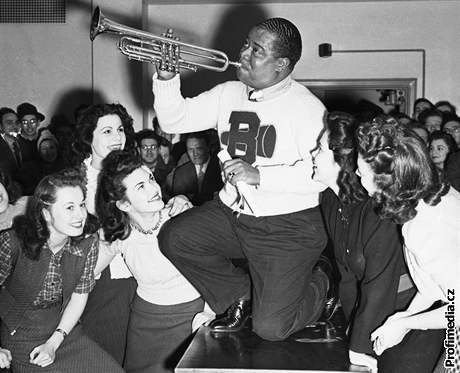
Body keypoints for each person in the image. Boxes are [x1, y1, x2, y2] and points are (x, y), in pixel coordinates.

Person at [152, 17, 333, 341]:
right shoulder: (229, 93)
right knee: (176, 238)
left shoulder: (308, 108)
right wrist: (167, 78)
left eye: (257, 50)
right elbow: (173, 119)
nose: (244, 53)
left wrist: (261, 175)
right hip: (234, 214)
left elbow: (321, 176)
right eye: (247, 44)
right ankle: (239, 298)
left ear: (281, 65)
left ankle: (323, 280)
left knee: (271, 329)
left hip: (288, 227)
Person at [312, 112, 415, 372]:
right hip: (373, 308)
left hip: (411, 309)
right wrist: (352, 327)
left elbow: (380, 283)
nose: (312, 155)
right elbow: (347, 274)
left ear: (341, 160)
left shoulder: (378, 208)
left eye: (319, 149)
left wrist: (359, 345)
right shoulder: (330, 200)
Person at [356, 115, 459, 373]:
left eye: (362, 169)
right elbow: (442, 287)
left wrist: (408, 324)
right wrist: (405, 317)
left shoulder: (426, 226)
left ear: (385, 180)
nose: (356, 172)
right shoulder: (430, 197)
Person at [0, 168, 124, 372]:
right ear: (45, 213)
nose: (80, 215)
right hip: (21, 336)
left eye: (82, 204)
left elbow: (78, 297)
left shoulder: (87, 243)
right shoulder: (12, 243)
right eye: (69, 207)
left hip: (64, 332)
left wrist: (54, 342)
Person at [95, 150, 204, 373]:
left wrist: (209, 314)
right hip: (146, 322)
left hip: (192, 315)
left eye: (150, 179)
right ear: (124, 205)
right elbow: (88, 272)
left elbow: (215, 269)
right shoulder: (120, 235)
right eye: (140, 187)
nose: (154, 189)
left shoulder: (180, 216)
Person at [74, 103, 137, 365]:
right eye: (107, 131)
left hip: (137, 274)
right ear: (89, 137)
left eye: (120, 130)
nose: (117, 137)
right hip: (98, 282)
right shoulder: (74, 181)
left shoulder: (134, 174)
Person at [170, 131, 224, 206]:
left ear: (208, 148)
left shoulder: (220, 169)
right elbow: (178, 203)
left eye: (199, 148)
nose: (195, 153)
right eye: (190, 149)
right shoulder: (181, 173)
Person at [0, 107, 21, 180]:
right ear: (1, 127)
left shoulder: (21, 142)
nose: (14, 126)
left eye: (16, 122)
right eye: (9, 122)